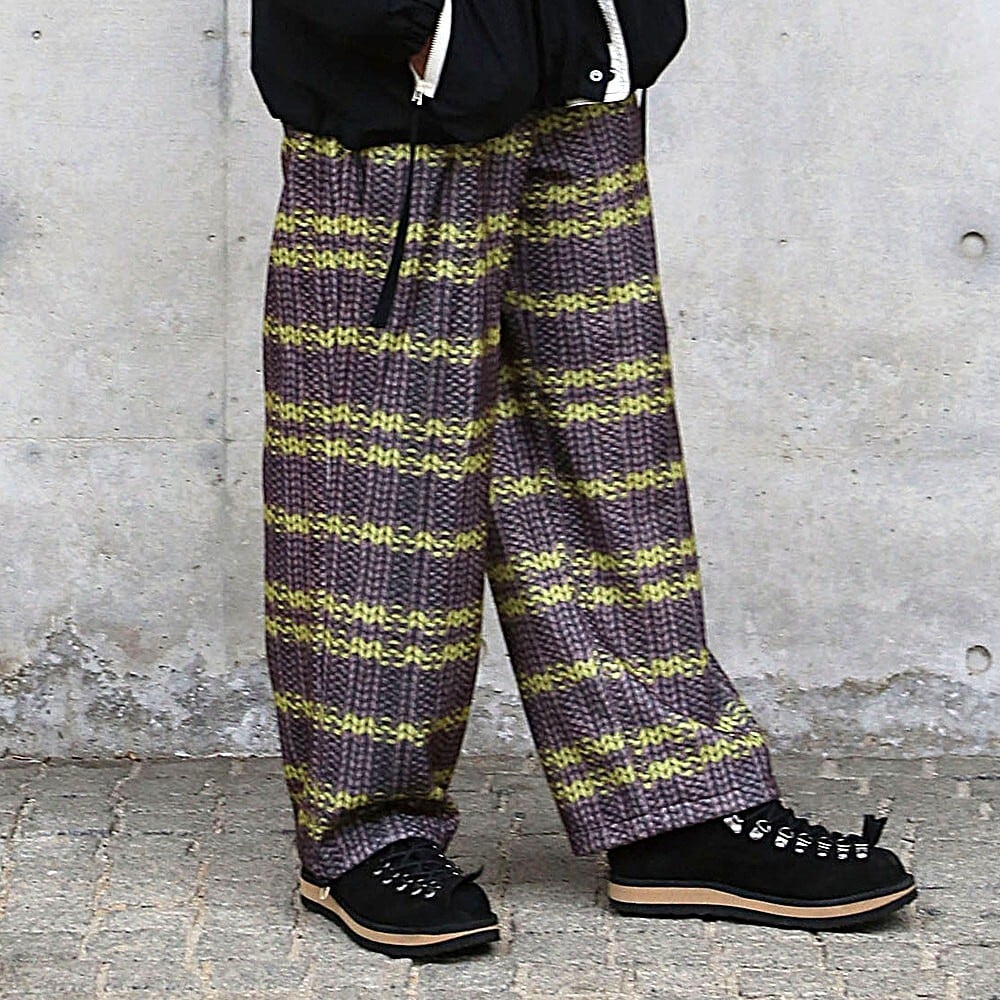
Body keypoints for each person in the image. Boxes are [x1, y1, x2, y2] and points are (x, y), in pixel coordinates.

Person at [249, 0, 916, 959]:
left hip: (579, 68)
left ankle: (671, 805)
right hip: (398, 98)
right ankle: (366, 829)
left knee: (610, 462)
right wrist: (415, 26)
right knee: (381, 482)